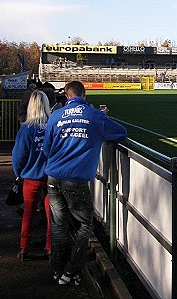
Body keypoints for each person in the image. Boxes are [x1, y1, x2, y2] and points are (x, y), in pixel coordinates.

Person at [43, 81, 127, 286]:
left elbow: (46, 148)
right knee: (85, 225)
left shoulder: (56, 116)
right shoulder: (94, 116)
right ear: (84, 94)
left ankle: (58, 270)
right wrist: (101, 120)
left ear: (66, 95)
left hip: (53, 177)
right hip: (76, 180)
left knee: (58, 226)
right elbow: (121, 132)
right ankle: (71, 270)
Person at [12, 89, 52, 261]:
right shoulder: (52, 125)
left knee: (29, 212)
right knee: (51, 214)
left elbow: (18, 156)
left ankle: (24, 247)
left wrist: (18, 174)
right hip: (51, 176)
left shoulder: (26, 129)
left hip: (31, 177)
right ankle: (50, 247)